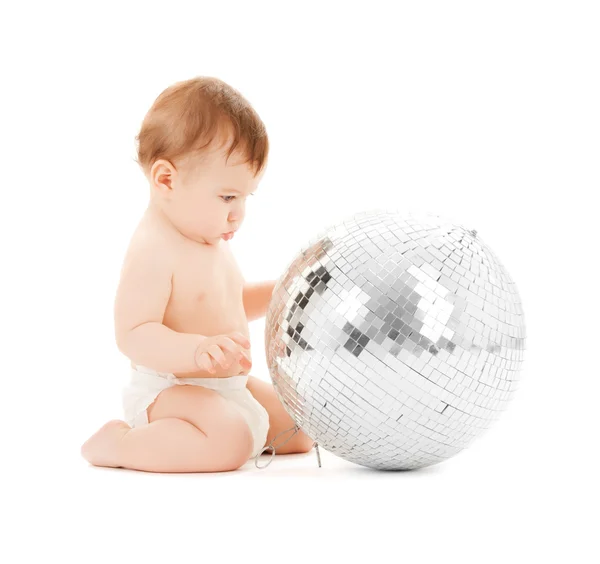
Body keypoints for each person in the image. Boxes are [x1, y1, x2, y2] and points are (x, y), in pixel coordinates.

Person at [80, 76, 313, 473]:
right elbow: (133, 333)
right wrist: (195, 350)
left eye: (244, 197)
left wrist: (281, 291)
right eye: (227, 197)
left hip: (225, 385)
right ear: (166, 179)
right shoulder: (153, 250)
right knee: (231, 441)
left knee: (301, 427)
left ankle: (214, 433)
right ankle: (119, 445)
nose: (238, 213)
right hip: (170, 389)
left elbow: (229, 303)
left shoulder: (208, 238)